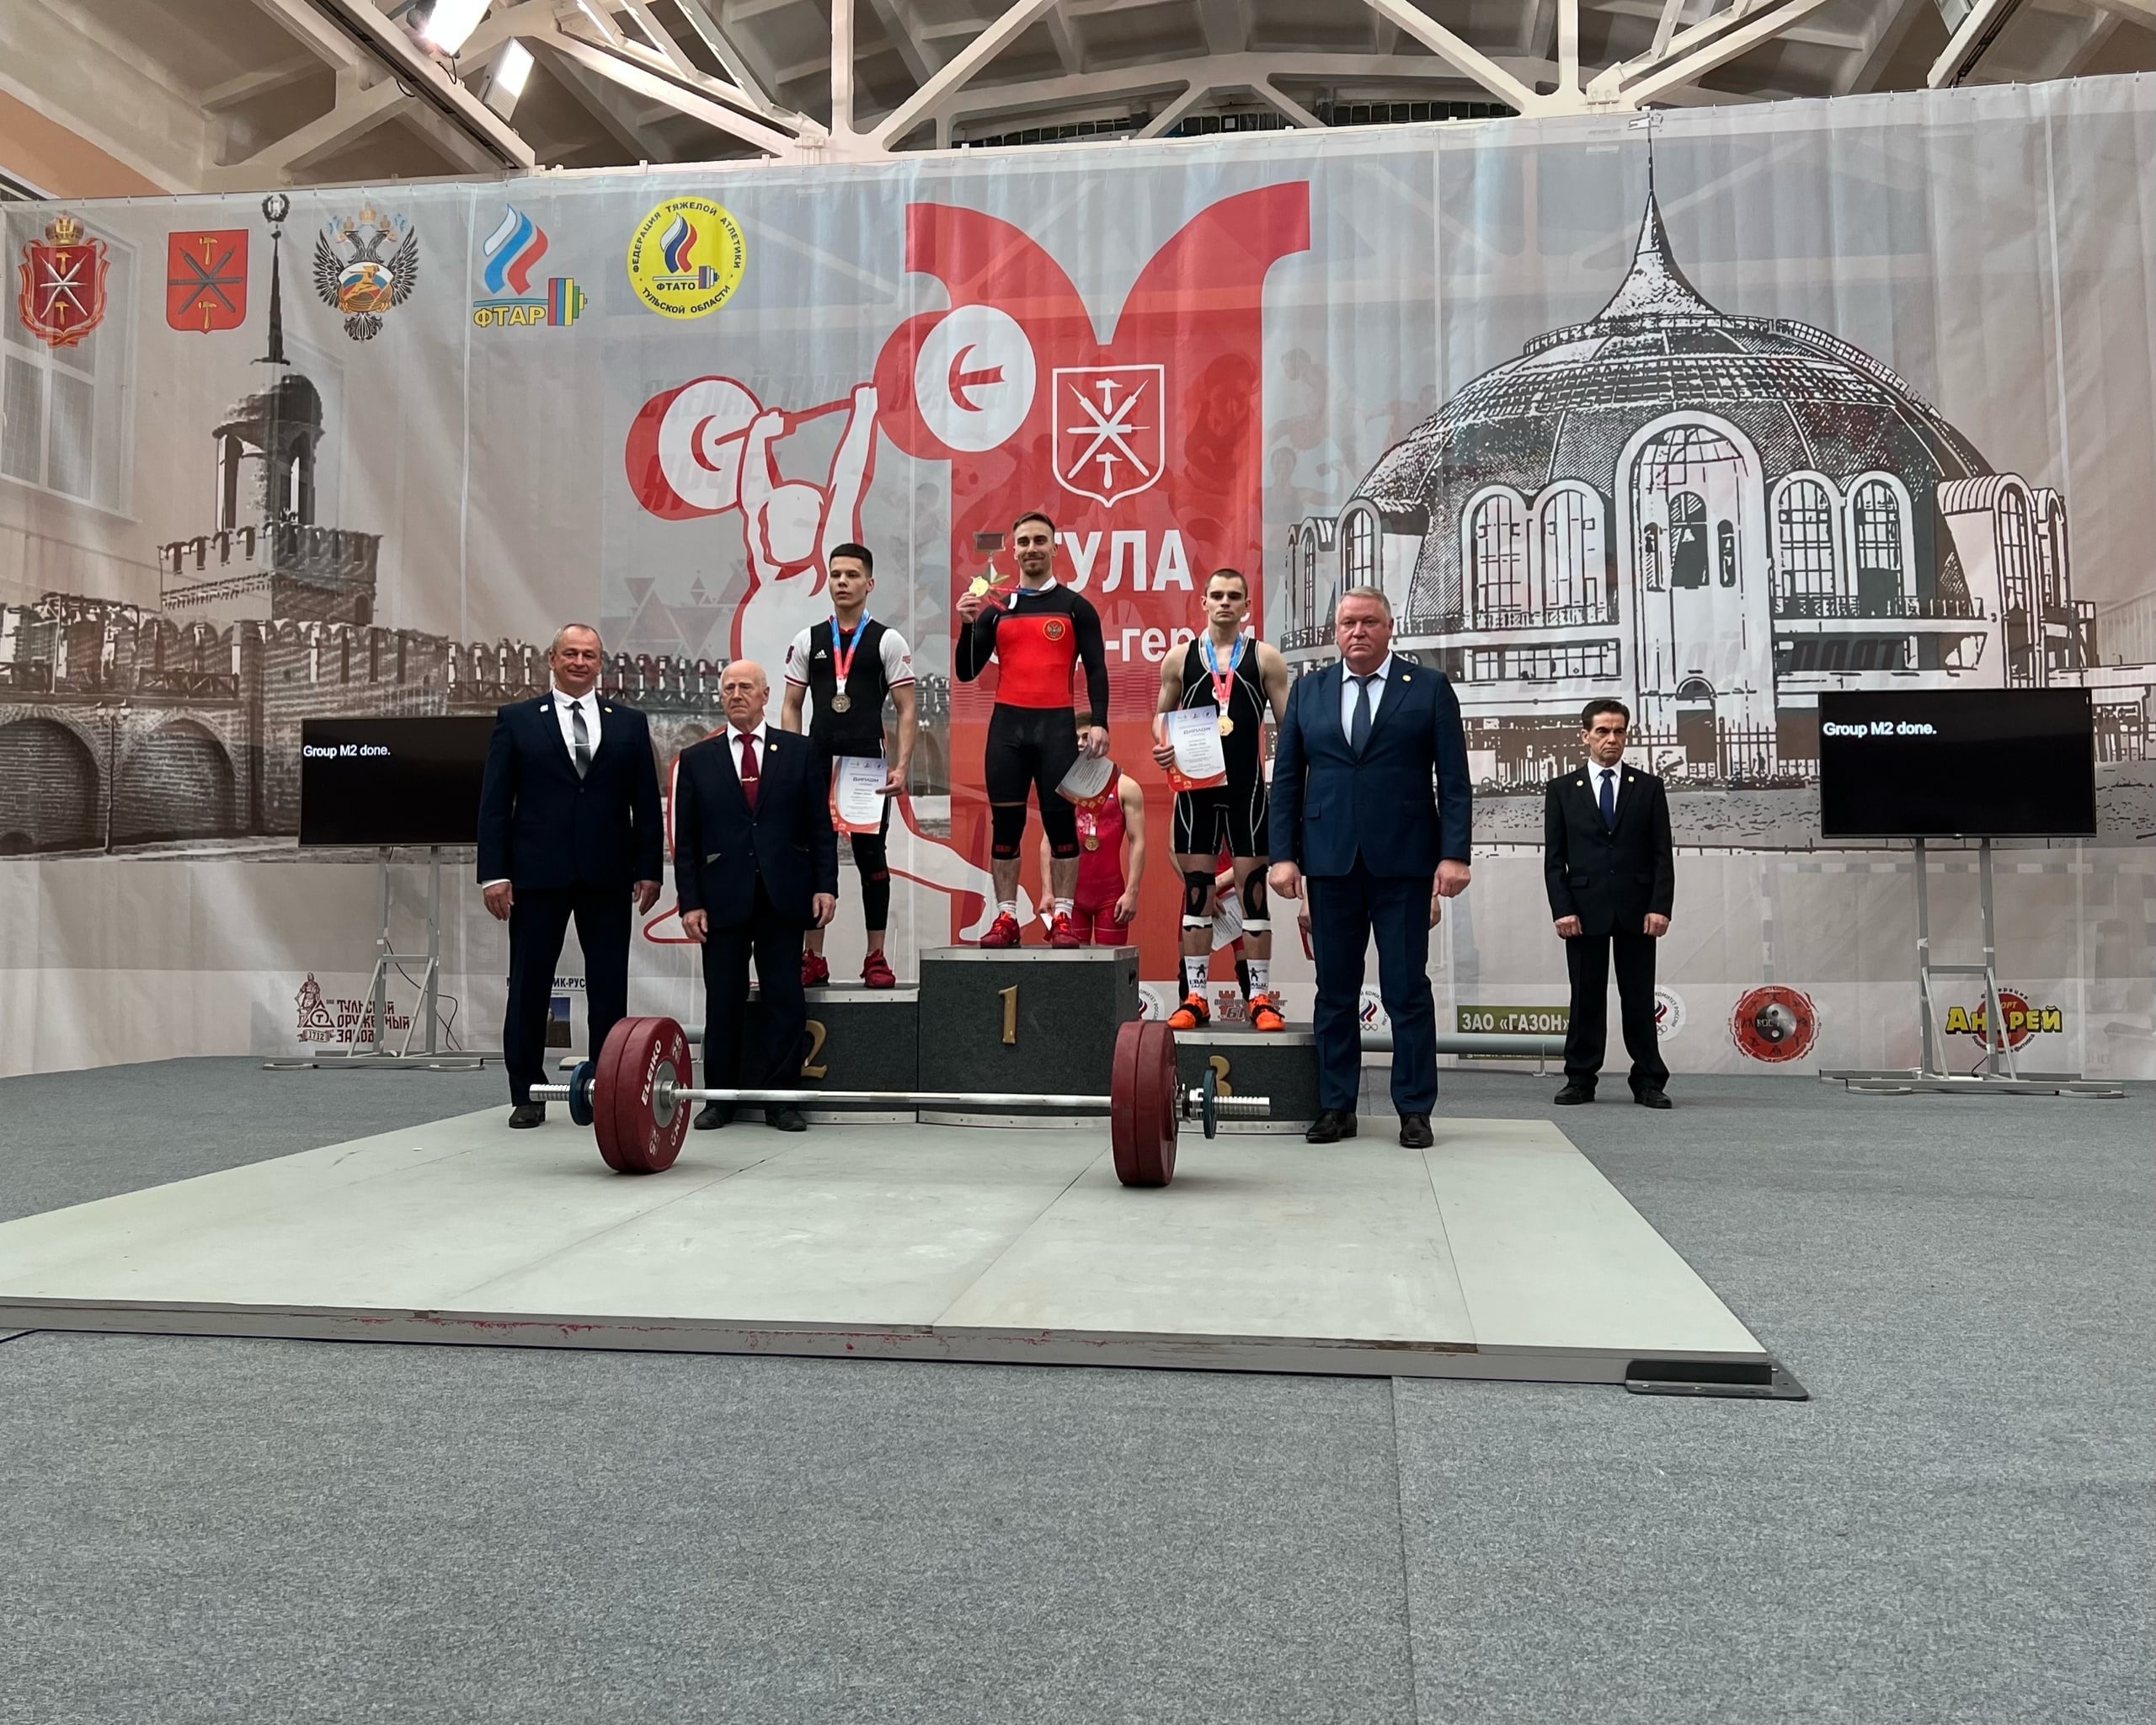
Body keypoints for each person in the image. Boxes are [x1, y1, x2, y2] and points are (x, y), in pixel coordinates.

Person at [1268, 586, 1471, 1148]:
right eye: (1347, 623)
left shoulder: (1427, 687)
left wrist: (1454, 853)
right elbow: (1287, 780)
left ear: (1389, 628)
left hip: (1404, 863)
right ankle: (1337, 1106)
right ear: (1336, 632)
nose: (1357, 631)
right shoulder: (1309, 691)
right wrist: (1283, 856)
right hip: (1329, 863)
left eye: (1369, 622)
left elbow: (1454, 780)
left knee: (1406, 990)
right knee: (1335, 991)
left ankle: (1414, 1109)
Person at [478, 623, 664, 1128]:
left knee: (609, 987)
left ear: (600, 663)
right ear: (552, 659)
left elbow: (646, 805)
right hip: (537, 876)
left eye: (589, 655)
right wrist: (493, 874)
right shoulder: (516, 720)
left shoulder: (629, 723)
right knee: (529, 986)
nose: (580, 662)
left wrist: (649, 868)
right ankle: (526, 1092)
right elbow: (494, 804)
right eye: (571, 654)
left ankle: (608, 1087)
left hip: (608, 874)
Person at [673, 660, 839, 1134]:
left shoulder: (800, 752)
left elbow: (819, 826)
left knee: (784, 1000)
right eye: (728, 687)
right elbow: (687, 841)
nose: (736, 694)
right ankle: (720, 1100)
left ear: (766, 695)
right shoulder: (697, 759)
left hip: (782, 897)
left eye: (746, 686)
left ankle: (781, 1102)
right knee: (723, 1002)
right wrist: (690, 902)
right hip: (721, 901)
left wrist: (826, 884)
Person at [955, 508, 1110, 948]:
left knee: (1062, 828)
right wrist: (967, 627)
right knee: (1006, 826)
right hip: (1007, 730)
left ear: (1055, 547)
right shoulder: (996, 610)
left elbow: (1096, 669)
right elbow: (967, 670)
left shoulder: (1077, 608)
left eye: (1040, 541)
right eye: (1023, 542)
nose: (1031, 549)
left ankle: (1062, 918)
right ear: (1014, 550)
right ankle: (1006, 917)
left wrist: (1100, 722)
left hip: (1056, 728)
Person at [1152, 567, 1290, 1033]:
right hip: (1198, 791)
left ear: (1247, 606)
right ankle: (1196, 996)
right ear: (1204, 602)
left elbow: (1288, 727)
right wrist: (1162, 747)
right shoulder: (1179, 658)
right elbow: (1160, 718)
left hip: (1248, 791)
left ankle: (1261, 998)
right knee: (1197, 893)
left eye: (1234, 596)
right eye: (1217, 595)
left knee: (1253, 896)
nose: (1225, 602)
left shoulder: (1266, 658)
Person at [780, 542, 916, 988]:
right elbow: (791, 704)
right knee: (813, 858)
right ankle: (813, 956)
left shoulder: (888, 640)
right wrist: (792, 759)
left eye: (852, 575)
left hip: (866, 769)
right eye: (836, 574)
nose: (842, 582)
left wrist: (901, 767)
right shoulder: (809, 639)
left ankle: (875, 956)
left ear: (869, 583)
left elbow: (907, 708)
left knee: (871, 859)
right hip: (815, 765)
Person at [1545, 698, 1675, 1108]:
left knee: (1639, 997)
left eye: (1619, 731)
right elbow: (1554, 859)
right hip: (1583, 911)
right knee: (1585, 997)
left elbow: (1662, 855)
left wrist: (1660, 906)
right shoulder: (1562, 790)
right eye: (1602, 731)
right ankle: (1580, 1078)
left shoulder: (1649, 788)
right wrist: (1562, 909)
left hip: (1638, 910)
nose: (1611, 739)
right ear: (1585, 735)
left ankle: (1649, 1081)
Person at [1037, 744, 1146, 944]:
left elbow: (1137, 841)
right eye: (1076, 737)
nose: (1080, 743)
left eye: (1086, 737)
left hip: (1110, 896)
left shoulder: (1126, 787)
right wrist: (1047, 892)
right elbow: (1047, 842)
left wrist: (1132, 892)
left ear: (1102, 742)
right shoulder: (1060, 789)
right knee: (1070, 961)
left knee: (1111, 961)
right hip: (1068, 896)